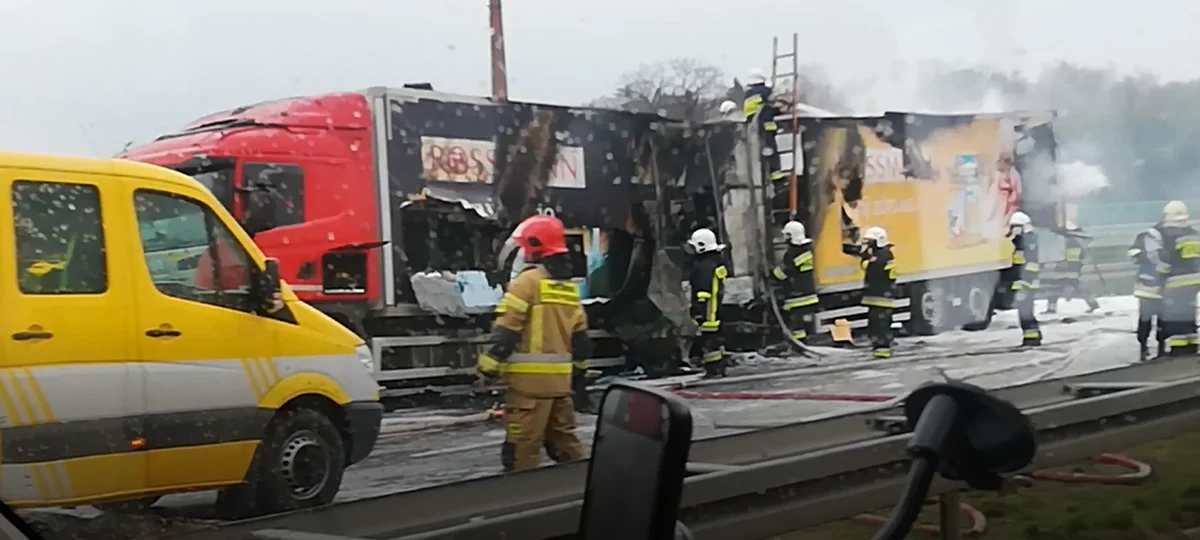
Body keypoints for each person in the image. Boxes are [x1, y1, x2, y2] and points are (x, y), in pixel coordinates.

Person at [476, 214, 589, 472]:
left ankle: (523, 502)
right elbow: (581, 339)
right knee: (566, 447)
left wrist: (487, 369)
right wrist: (579, 373)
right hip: (561, 387)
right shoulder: (568, 287)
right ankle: (584, 491)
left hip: (528, 389)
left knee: (521, 452)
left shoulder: (526, 283)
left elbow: (507, 330)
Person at [1155, 200, 1200, 356]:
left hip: (1176, 281)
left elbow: (1165, 260)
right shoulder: (1194, 234)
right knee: (1189, 311)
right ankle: (1192, 343)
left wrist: (1160, 276)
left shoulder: (1168, 235)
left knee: (1175, 313)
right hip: (1195, 280)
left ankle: (1179, 348)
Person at [844, 226, 897, 358]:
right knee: (876, 325)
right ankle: (880, 350)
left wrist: (865, 258)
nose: (868, 244)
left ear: (878, 241)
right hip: (879, 297)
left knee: (880, 326)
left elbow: (870, 268)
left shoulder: (882, 255)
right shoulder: (883, 253)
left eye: (870, 241)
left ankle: (883, 351)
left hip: (881, 298)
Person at [687, 227, 729, 378]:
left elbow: (703, 288)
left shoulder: (704, 266)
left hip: (707, 310)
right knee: (716, 339)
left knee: (709, 341)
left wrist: (698, 309)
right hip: (716, 307)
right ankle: (720, 366)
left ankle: (714, 369)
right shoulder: (716, 261)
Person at [769, 221, 818, 343]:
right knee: (801, 324)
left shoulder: (792, 253)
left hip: (797, 296)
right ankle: (803, 344)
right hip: (808, 293)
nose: (784, 237)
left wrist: (771, 275)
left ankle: (799, 346)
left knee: (796, 325)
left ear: (791, 236)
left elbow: (785, 272)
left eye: (786, 235)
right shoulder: (806, 250)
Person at [1045, 221, 1100, 314]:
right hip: (1071, 270)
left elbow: (1072, 259)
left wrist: (1060, 265)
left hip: (1070, 270)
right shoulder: (1077, 241)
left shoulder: (1072, 242)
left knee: (1061, 288)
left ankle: (1093, 304)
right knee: (1058, 288)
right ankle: (1093, 304)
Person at [1129, 227, 1166, 360]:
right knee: (1161, 320)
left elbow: (1133, 254)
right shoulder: (1165, 237)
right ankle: (1158, 349)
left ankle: (1144, 349)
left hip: (1147, 287)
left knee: (1146, 320)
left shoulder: (1144, 237)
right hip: (1157, 287)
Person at [741, 68, 784, 182]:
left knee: (761, 153)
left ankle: (764, 176)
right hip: (767, 127)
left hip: (754, 128)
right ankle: (776, 177)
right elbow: (773, 105)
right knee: (771, 152)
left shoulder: (747, 95)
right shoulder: (765, 91)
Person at [1007, 211, 1042, 347]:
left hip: (1027, 284)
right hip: (1023, 283)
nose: (1014, 229)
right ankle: (1032, 336)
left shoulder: (1029, 241)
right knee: (1024, 311)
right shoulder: (1020, 241)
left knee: (1026, 312)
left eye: (1016, 226)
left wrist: (1025, 283)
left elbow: (1031, 264)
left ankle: (1032, 338)